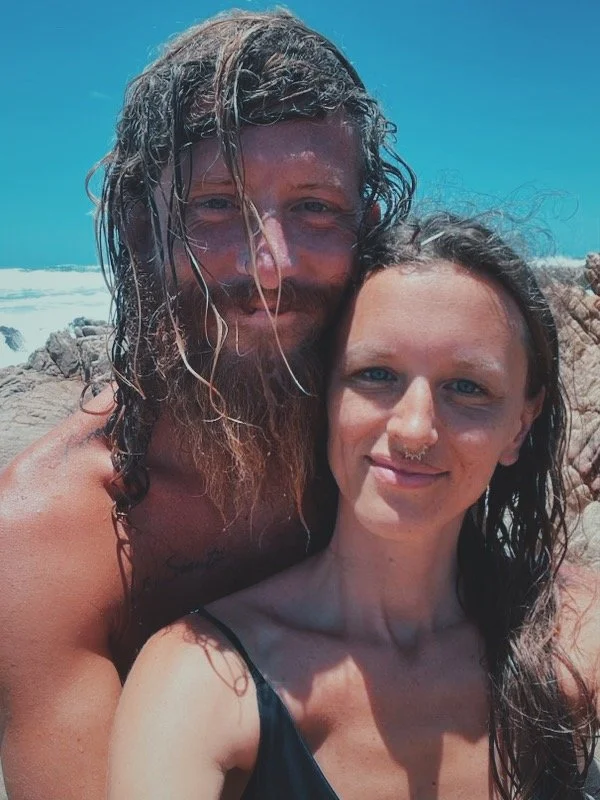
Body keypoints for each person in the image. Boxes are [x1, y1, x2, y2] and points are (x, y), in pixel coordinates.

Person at [0, 10, 415, 800]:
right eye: (217, 205)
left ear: (364, 227)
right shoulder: (53, 532)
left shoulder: (405, 440)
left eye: (316, 208)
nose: (271, 266)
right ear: (139, 228)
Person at [108, 214, 600, 800]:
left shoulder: (575, 632)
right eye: (376, 375)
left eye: (468, 387)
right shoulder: (202, 680)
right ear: (325, 397)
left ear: (520, 424)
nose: (414, 430)